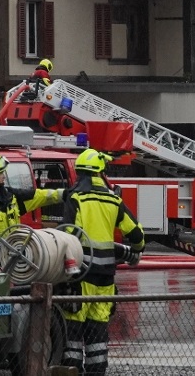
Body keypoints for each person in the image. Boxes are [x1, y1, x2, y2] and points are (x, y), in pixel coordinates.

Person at [60, 148, 145, 376]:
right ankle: (97, 372)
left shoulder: (76, 198)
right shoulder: (114, 200)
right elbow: (136, 234)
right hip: (105, 277)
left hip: (81, 276)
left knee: (74, 330)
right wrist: (136, 251)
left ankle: (71, 370)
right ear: (99, 172)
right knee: (98, 330)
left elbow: (69, 235)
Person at [0, 152, 64, 253]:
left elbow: (38, 196)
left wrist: (62, 194)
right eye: (0, 173)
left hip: (14, 255)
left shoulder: (10, 196)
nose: (4, 176)